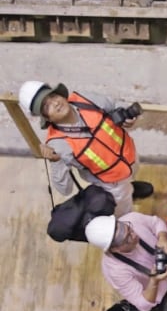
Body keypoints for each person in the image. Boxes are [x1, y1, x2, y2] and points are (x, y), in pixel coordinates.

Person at [19, 81, 154, 217]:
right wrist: (56, 161)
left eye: (53, 96)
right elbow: (65, 189)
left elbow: (113, 104)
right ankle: (127, 205)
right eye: (46, 106)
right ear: (45, 118)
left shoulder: (84, 99)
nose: (55, 103)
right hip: (111, 181)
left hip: (130, 153)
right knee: (124, 211)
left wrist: (126, 113)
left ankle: (130, 188)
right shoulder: (58, 144)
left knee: (132, 174)